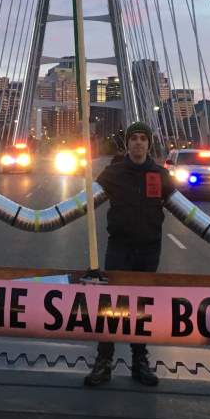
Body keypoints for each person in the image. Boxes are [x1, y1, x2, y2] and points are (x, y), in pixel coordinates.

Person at [83, 121, 173, 388]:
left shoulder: (160, 174)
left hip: (149, 247)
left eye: (142, 139)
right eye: (133, 138)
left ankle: (140, 362)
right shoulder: (114, 173)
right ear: (128, 143)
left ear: (148, 143)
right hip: (120, 246)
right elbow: (89, 199)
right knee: (110, 306)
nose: (138, 143)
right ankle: (103, 362)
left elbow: (180, 204)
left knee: (142, 307)